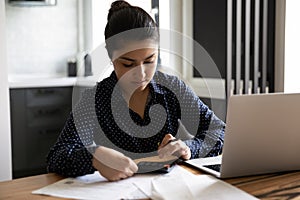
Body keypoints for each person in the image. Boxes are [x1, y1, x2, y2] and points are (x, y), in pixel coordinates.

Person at [47, 0, 225, 182]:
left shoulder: (173, 88)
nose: (140, 74)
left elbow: (219, 131)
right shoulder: (94, 100)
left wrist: (188, 148)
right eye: (128, 64)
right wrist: (95, 157)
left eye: (149, 61)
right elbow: (58, 155)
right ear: (110, 55)